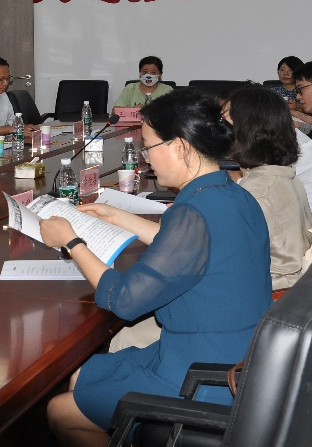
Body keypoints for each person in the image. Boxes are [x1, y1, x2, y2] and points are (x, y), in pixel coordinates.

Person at [40, 89, 271, 447]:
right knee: (82, 377)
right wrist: (116, 215)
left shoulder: (193, 211)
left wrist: (72, 242)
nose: (145, 158)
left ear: (179, 146)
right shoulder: (232, 193)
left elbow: (124, 299)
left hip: (201, 375)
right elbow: (190, 247)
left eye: (148, 147)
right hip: (238, 356)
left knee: (60, 410)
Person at [227, 86, 312, 290]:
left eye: (228, 120)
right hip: (289, 283)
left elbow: (238, 259)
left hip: (272, 291)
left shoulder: (260, 190)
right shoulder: (281, 174)